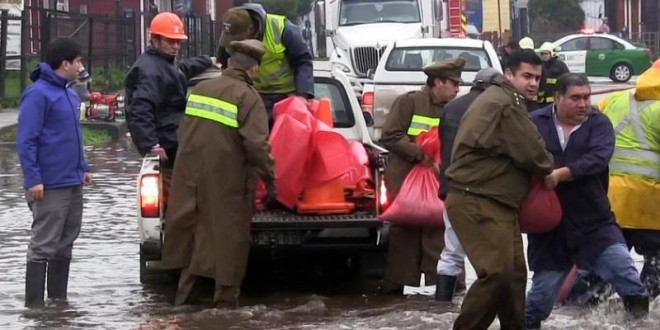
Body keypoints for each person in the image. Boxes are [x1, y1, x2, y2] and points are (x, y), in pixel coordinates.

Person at [524, 73, 649, 329]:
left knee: (627, 276)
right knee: (540, 299)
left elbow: (598, 158)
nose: (583, 104)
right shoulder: (535, 122)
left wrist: (562, 174)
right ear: (558, 98)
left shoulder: (598, 123)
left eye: (586, 97)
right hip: (550, 227)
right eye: (575, 98)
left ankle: (638, 324)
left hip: (594, 221)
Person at [160, 39, 275, 308]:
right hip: (228, 185)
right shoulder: (248, 97)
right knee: (229, 246)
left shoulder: (200, 89)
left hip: (190, 179)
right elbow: (257, 146)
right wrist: (271, 181)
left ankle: (183, 309)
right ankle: (226, 311)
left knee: (193, 241)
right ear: (254, 69)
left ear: (229, 62)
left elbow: (183, 132)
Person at [444, 49, 554, 330]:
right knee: (497, 274)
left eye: (537, 78)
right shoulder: (506, 103)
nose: (533, 83)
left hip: (494, 200)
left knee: (515, 275)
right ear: (508, 75)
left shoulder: (503, 98)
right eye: (526, 76)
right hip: (478, 198)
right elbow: (535, 155)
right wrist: (550, 165)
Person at [378, 58, 465, 295]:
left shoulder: (455, 110)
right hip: (407, 180)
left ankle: (450, 289)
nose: (458, 89)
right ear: (438, 82)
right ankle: (394, 288)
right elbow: (391, 135)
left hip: (440, 181)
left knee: (444, 233)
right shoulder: (409, 102)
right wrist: (422, 155)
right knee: (404, 234)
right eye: (454, 83)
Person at [16, 37, 93, 307]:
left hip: (72, 181)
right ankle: (34, 308)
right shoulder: (37, 94)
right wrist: (33, 178)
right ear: (65, 63)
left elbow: (74, 135)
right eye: (78, 61)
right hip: (49, 185)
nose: (81, 65)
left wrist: (83, 167)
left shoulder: (69, 93)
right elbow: (26, 139)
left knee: (66, 241)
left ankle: (59, 303)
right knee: (43, 244)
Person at [125, 11, 215, 214]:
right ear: (155, 40)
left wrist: (206, 61)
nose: (175, 46)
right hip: (166, 148)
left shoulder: (161, 64)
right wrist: (152, 145)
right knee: (175, 207)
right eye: (170, 41)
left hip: (173, 143)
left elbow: (179, 70)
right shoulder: (150, 71)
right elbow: (140, 109)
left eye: (178, 42)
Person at [435, 67, 503, 302]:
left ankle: (442, 306)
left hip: (451, 188)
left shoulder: (451, 108)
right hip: (483, 191)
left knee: (452, 250)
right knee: (492, 252)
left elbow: (444, 148)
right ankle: (489, 304)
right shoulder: (493, 107)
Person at [598, 59, 660, 300]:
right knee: (656, 265)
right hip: (650, 205)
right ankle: (638, 309)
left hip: (609, 200)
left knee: (603, 264)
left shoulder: (614, 99)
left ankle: (580, 309)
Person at [218, 3, 314, 128]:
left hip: (284, 98)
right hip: (250, 95)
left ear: (251, 29)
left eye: (239, 39)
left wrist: (302, 96)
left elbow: (303, 60)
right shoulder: (232, 28)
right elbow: (225, 63)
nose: (235, 43)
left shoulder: (281, 28)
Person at [532, 42, 570, 111]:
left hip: (555, 101)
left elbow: (567, 80)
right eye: (542, 54)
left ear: (552, 53)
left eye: (546, 53)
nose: (544, 56)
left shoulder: (560, 65)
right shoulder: (539, 65)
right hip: (541, 102)